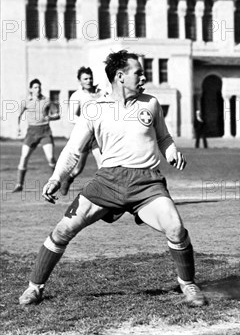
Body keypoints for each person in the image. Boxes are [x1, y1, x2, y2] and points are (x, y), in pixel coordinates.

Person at [19, 50, 210, 307]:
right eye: (139, 73)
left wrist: (172, 151)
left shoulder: (150, 103)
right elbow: (73, 149)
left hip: (147, 183)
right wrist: (56, 178)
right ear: (120, 76)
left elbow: (163, 137)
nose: (144, 77)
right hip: (107, 182)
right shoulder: (94, 109)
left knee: (175, 228)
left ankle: (188, 284)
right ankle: (34, 287)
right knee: (63, 229)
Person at [59, 66, 105, 196]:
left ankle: (104, 190)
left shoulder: (100, 93)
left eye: (90, 78)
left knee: (102, 162)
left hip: (98, 135)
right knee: (78, 168)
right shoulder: (77, 95)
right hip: (84, 135)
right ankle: (68, 179)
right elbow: (71, 116)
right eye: (85, 78)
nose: (89, 81)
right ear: (79, 81)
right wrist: (86, 123)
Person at [11, 79, 60, 193]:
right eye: (35, 87)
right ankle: (19, 184)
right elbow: (18, 115)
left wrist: (52, 117)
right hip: (31, 132)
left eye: (39, 87)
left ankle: (57, 181)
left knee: (51, 158)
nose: (38, 89)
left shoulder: (46, 100)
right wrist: (17, 128)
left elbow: (57, 115)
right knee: (24, 157)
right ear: (31, 89)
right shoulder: (26, 101)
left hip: (45, 131)